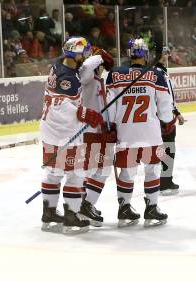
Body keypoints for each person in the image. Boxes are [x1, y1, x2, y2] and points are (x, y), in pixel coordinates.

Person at [106, 38, 176, 227]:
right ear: (145, 54)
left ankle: (124, 208)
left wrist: (111, 126)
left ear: (129, 53)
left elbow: (109, 110)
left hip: (126, 135)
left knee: (127, 173)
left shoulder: (114, 74)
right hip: (151, 135)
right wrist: (169, 121)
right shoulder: (156, 75)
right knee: (153, 170)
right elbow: (164, 107)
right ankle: (152, 207)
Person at [40, 37, 103, 235]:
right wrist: (83, 113)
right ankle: (71, 215)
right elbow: (60, 104)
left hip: (50, 131)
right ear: (74, 54)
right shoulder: (68, 79)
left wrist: (97, 57)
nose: (85, 55)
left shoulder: (59, 64)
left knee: (53, 172)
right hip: (64, 134)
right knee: (75, 174)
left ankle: (49, 213)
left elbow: (81, 67)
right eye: (83, 52)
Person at [78, 46, 115, 227]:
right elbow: (85, 67)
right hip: (92, 131)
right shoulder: (87, 78)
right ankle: (86, 205)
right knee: (101, 170)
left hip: (99, 130)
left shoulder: (97, 79)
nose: (102, 69)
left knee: (94, 171)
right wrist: (99, 55)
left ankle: (83, 205)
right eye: (101, 65)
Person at [156, 47, 186, 195]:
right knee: (163, 150)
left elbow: (169, 98)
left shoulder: (163, 72)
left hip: (166, 118)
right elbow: (160, 99)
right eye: (163, 54)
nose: (166, 56)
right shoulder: (155, 73)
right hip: (160, 120)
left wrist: (177, 112)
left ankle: (165, 180)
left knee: (168, 150)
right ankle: (162, 181)